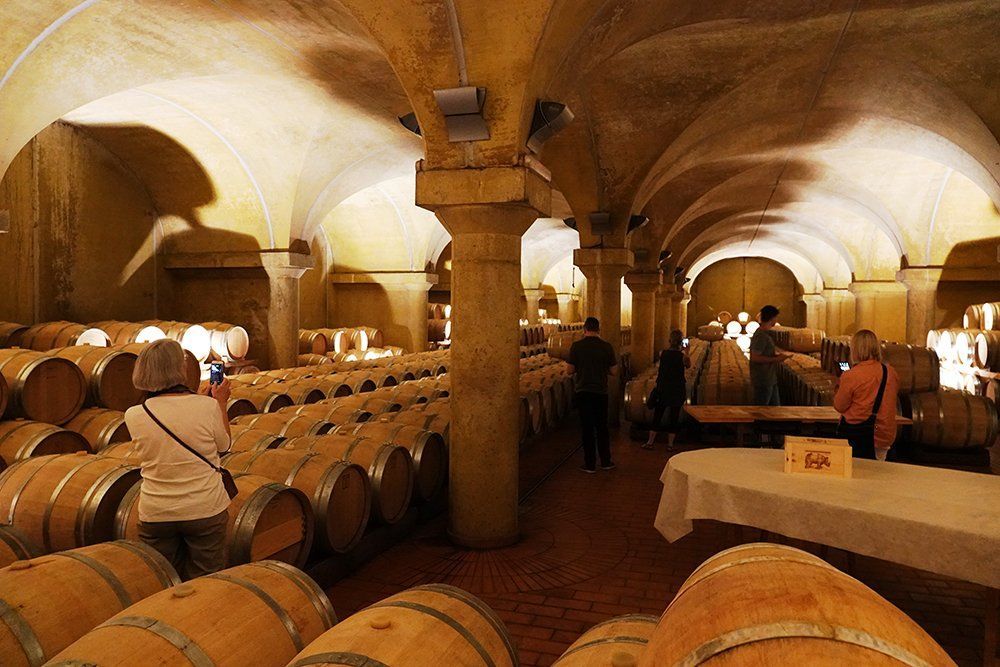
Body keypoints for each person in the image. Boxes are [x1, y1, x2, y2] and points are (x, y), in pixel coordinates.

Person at [124, 339, 233, 580]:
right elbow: (224, 446)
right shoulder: (206, 406)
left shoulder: (133, 414)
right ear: (178, 369)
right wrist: (220, 403)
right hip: (204, 507)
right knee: (206, 581)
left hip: (157, 512)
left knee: (164, 580)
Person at [833, 329, 899, 460]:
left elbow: (840, 406)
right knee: (877, 473)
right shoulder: (890, 372)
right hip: (885, 434)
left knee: (858, 475)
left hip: (859, 435)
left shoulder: (851, 375)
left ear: (855, 350)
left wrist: (838, 388)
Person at [567, 316, 618, 473]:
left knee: (587, 429)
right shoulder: (606, 347)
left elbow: (569, 370)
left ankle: (589, 464)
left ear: (584, 329)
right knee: (602, 427)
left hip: (583, 391)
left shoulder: (576, 346)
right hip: (600, 392)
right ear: (598, 329)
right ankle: (606, 462)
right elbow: (614, 371)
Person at [644, 329, 690, 451]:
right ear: (681, 342)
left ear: (670, 341)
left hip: (663, 387)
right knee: (673, 417)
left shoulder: (662, 353)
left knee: (658, 415)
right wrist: (687, 352)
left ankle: (650, 442)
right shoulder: (683, 357)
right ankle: (670, 445)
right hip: (677, 388)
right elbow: (688, 365)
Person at [748, 305, 791, 405]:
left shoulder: (765, 333)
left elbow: (764, 353)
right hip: (763, 380)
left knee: (775, 411)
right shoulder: (761, 335)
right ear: (772, 318)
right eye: (776, 317)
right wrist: (777, 359)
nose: (776, 320)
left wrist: (777, 355)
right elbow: (755, 357)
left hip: (770, 378)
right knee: (761, 411)